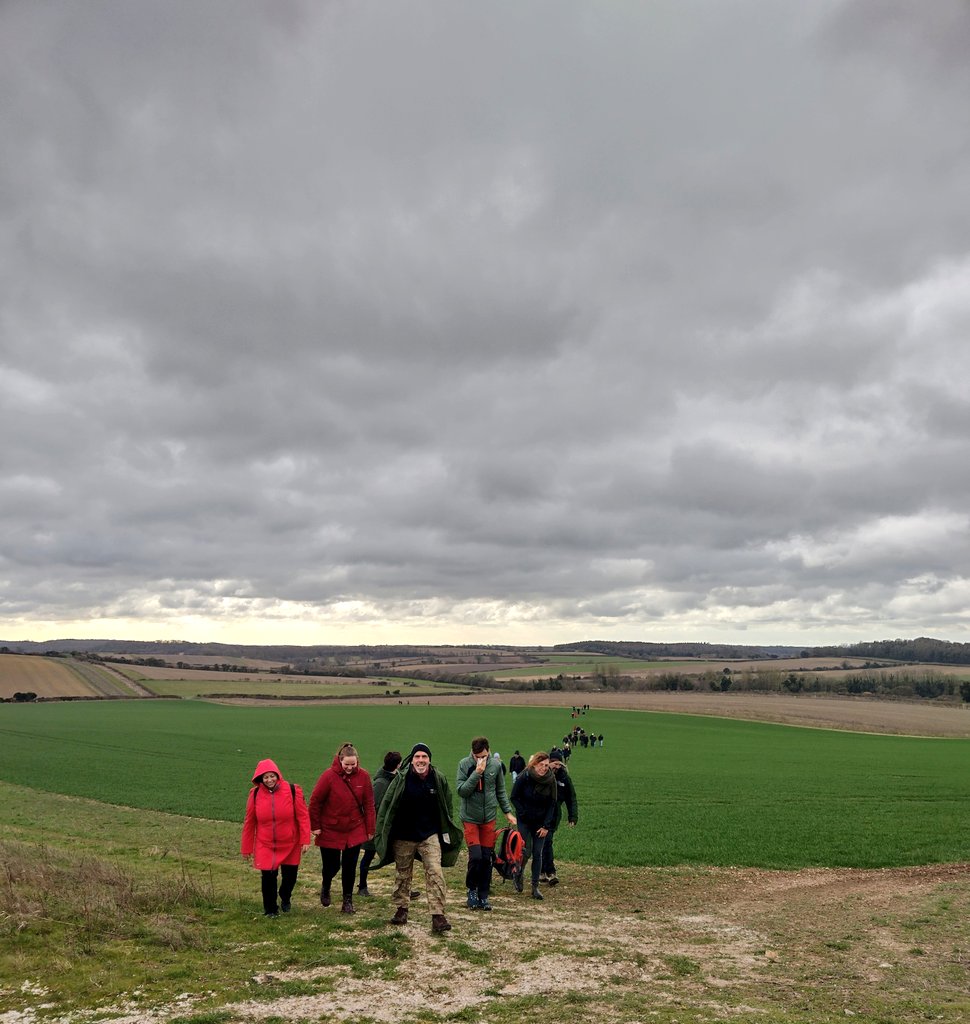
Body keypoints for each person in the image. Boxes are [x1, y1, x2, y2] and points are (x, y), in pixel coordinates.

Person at [374, 742, 463, 934]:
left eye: (424, 757)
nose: (420, 760)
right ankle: (401, 910)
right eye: (417, 757)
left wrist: (444, 830)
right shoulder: (401, 779)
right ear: (412, 760)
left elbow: (447, 806)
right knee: (403, 874)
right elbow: (387, 805)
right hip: (403, 835)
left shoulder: (438, 778)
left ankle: (438, 916)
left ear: (429, 760)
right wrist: (382, 831)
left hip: (429, 835)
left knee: (435, 873)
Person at [309, 742, 376, 915]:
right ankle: (326, 884)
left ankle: (348, 901)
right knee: (331, 866)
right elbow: (315, 801)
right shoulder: (328, 776)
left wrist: (370, 828)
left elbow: (369, 804)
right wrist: (315, 826)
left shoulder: (363, 776)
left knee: (350, 866)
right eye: (346, 764)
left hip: (354, 828)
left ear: (357, 761)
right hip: (330, 828)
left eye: (353, 764)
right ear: (340, 761)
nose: (350, 768)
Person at [241, 758, 311, 917]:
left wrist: (305, 839)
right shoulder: (255, 794)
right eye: (265, 777)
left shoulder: (293, 790)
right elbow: (249, 822)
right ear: (260, 779)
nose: (269, 780)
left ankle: (285, 896)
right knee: (268, 877)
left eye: (272, 776)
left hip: (290, 842)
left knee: (290, 877)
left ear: (278, 775)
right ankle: (270, 909)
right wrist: (246, 848)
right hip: (265, 844)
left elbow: (303, 816)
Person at [456, 736, 516, 911]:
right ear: (472, 753)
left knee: (486, 858)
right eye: (477, 757)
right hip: (470, 818)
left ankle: (483, 895)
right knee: (475, 856)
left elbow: (500, 790)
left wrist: (507, 812)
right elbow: (462, 791)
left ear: (489, 751)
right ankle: (471, 890)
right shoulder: (464, 764)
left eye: (483, 756)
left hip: (488, 818)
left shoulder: (496, 766)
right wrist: (477, 773)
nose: (480, 759)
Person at [510, 751, 558, 900]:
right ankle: (518, 873)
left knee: (538, 853)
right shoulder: (524, 776)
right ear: (534, 764)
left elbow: (552, 804)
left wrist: (546, 826)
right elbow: (514, 797)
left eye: (546, 765)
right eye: (541, 765)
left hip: (541, 823)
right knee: (526, 851)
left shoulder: (551, 780)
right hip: (525, 820)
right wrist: (522, 813)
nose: (544, 768)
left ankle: (535, 887)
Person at [357, 750, 402, 896]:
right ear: (398, 765)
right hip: (377, 827)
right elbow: (373, 806)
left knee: (401, 857)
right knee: (368, 856)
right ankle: (362, 887)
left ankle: (402, 887)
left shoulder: (394, 780)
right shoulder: (381, 783)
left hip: (389, 827)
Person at [540, 754, 578, 886]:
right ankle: (542, 870)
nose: (556, 766)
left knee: (547, 841)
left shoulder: (564, 778)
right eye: (554, 763)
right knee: (541, 843)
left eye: (559, 764)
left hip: (554, 816)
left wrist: (573, 816)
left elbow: (571, 797)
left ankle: (550, 872)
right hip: (539, 814)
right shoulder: (542, 774)